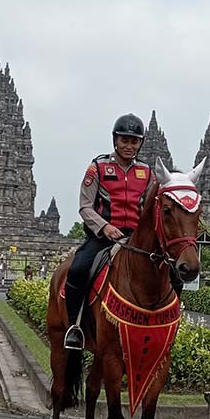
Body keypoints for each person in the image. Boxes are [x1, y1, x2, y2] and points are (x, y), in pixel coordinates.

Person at [63, 113, 155, 350]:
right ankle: (75, 327)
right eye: (124, 140)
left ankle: (165, 325)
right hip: (103, 236)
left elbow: (150, 208)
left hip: (134, 240)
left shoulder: (147, 173)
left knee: (170, 273)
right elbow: (85, 206)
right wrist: (104, 226)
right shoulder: (98, 167)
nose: (129, 146)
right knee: (78, 269)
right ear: (115, 140)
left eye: (134, 141)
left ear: (140, 143)